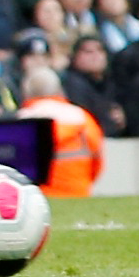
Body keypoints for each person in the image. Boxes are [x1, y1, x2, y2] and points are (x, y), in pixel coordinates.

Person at [17, 68, 105, 197]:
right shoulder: (82, 117)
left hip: (34, 197)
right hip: (77, 192)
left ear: (26, 92)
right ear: (59, 90)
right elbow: (97, 159)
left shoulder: (20, 121)